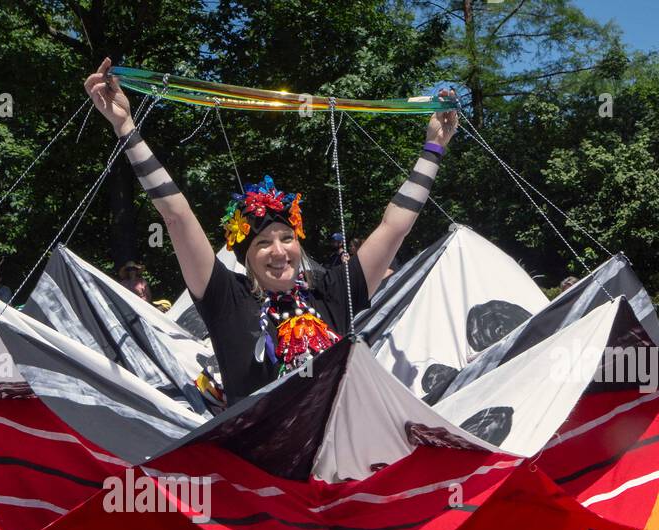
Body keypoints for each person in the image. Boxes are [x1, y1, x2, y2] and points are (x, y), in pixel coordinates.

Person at [85, 59, 459, 404]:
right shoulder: (224, 297)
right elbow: (176, 216)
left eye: (286, 238)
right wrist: (125, 126)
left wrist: (434, 146)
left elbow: (395, 227)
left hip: (334, 459)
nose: (278, 251)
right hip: (252, 466)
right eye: (263, 243)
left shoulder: (331, 290)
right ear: (245, 255)